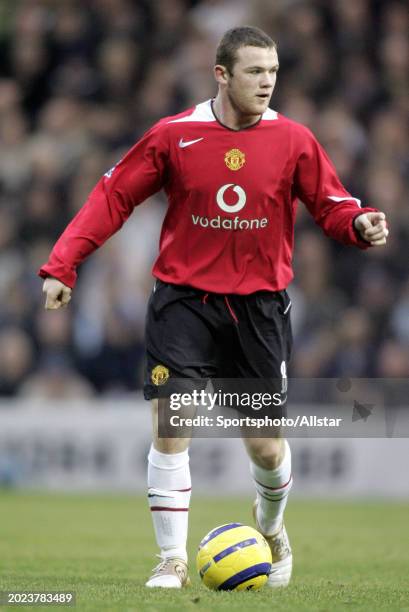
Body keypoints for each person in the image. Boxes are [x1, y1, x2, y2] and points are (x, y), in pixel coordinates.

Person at [39, 26, 389, 590]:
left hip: (258, 310)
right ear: (221, 74)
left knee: (267, 449)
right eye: (254, 71)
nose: (267, 82)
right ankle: (172, 559)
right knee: (172, 425)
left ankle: (271, 528)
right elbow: (114, 195)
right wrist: (62, 264)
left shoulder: (294, 140)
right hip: (184, 302)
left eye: (273, 71)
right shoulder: (174, 135)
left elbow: (332, 203)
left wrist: (359, 222)